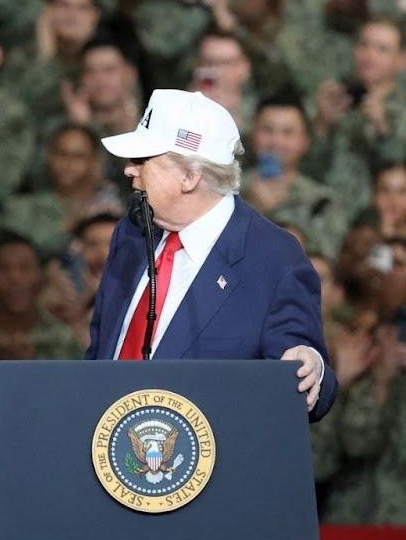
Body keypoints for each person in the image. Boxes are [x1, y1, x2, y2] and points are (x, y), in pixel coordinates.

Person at [90, 88, 337, 419]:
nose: (129, 170)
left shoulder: (273, 258)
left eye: (142, 160)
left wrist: (311, 367)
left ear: (189, 177)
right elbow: (100, 351)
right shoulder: (132, 233)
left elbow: (308, 376)